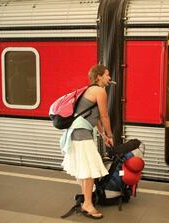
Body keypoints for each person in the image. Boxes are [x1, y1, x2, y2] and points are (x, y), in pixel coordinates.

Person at [61, 64, 114, 219]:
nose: (109, 78)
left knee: (86, 169)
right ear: (98, 77)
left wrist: (103, 135)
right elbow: (104, 116)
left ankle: (87, 201)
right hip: (81, 134)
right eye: (107, 75)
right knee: (89, 170)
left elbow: (94, 116)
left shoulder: (89, 89)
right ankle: (87, 205)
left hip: (77, 132)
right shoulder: (99, 91)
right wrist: (110, 135)